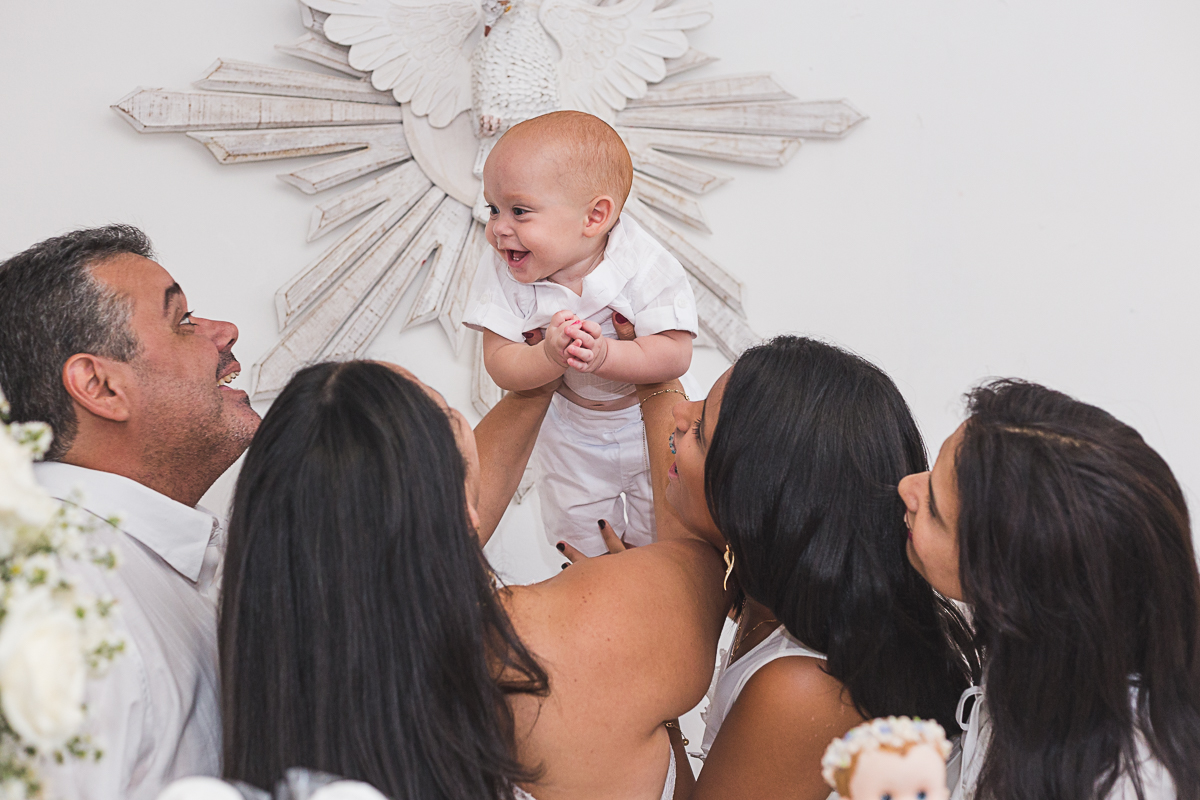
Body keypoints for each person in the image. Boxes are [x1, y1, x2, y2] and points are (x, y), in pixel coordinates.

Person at [219, 359, 727, 800]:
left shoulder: (273, 681)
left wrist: (541, 375)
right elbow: (702, 549)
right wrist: (657, 381)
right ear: (462, 513)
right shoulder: (566, 638)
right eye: (443, 414)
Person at [563, 335, 977, 799]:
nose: (683, 414)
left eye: (700, 431)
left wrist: (650, 671)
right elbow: (677, 501)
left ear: (754, 505)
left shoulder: (803, 689)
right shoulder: (792, 596)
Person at [0, 225, 260, 799]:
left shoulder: (153, 567)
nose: (225, 333)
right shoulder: (61, 607)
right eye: (183, 321)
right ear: (99, 385)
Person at [899, 379, 1200, 800]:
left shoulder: (1130, 784)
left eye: (933, 509)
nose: (906, 486)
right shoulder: (1048, 660)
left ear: (1009, 596)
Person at [463, 110, 697, 555]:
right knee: (579, 540)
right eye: (493, 208)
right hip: (571, 432)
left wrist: (607, 355)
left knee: (667, 543)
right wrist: (547, 357)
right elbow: (500, 364)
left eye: (519, 210)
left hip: (647, 422)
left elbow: (675, 354)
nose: (498, 228)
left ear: (594, 217)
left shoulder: (642, 262)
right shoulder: (503, 270)